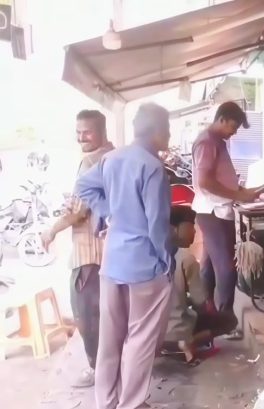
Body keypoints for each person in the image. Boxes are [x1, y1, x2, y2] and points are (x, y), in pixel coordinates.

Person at [76, 103, 173, 409]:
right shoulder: (153, 168)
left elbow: (83, 186)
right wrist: (166, 262)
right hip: (144, 265)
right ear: (156, 132)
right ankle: (131, 403)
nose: (169, 136)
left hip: (113, 261)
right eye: (168, 130)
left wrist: (108, 213)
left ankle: (106, 402)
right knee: (139, 339)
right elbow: (157, 225)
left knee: (110, 339)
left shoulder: (111, 158)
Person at [42, 110, 114, 388]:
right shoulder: (113, 155)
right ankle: (111, 366)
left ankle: (98, 370)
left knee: (86, 314)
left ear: (102, 132)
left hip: (89, 253)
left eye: (87, 132)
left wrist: (51, 230)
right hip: (109, 252)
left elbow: (78, 212)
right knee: (106, 313)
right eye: (78, 132)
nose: (81, 137)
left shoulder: (90, 162)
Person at [191, 101, 264, 333]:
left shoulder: (216, 142)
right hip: (213, 211)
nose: (234, 132)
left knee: (209, 265)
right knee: (226, 267)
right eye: (232, 126)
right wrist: (238, 194)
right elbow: (204, 181)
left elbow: (218, 179)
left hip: (216, 210)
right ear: (221, 119)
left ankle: (207, 311)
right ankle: (225, 319)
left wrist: (244, 192)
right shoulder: (207, 142)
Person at [163, 205, 234, 363]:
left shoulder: (148, 255)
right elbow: (200, 301)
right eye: (191, 227)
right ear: (175, 229)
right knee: (228, 320)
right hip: (177, 331)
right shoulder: (186, 259)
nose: (195, 232)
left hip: (150, 334)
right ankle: (189, 342)